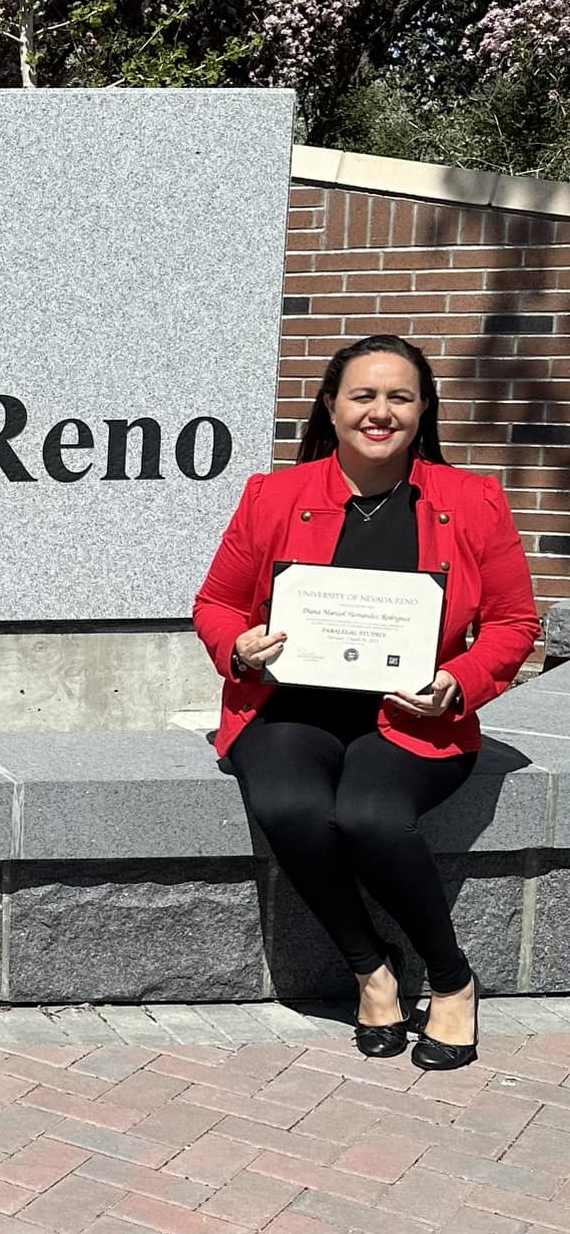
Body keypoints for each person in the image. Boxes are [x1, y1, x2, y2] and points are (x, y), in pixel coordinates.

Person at [192, 334, 539, 1070]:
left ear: (422, 411)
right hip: (293, 710)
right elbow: (216, 603)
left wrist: (459, 682)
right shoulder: (274, 495)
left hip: (413, 714)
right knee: (290, 806)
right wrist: (240, 645)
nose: (380, 412)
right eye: (363, 395)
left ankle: (451, 980)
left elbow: (513, 624)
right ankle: (370, 968)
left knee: (369, 815)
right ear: (331, 406)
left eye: (400, 397)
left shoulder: (471, 500)